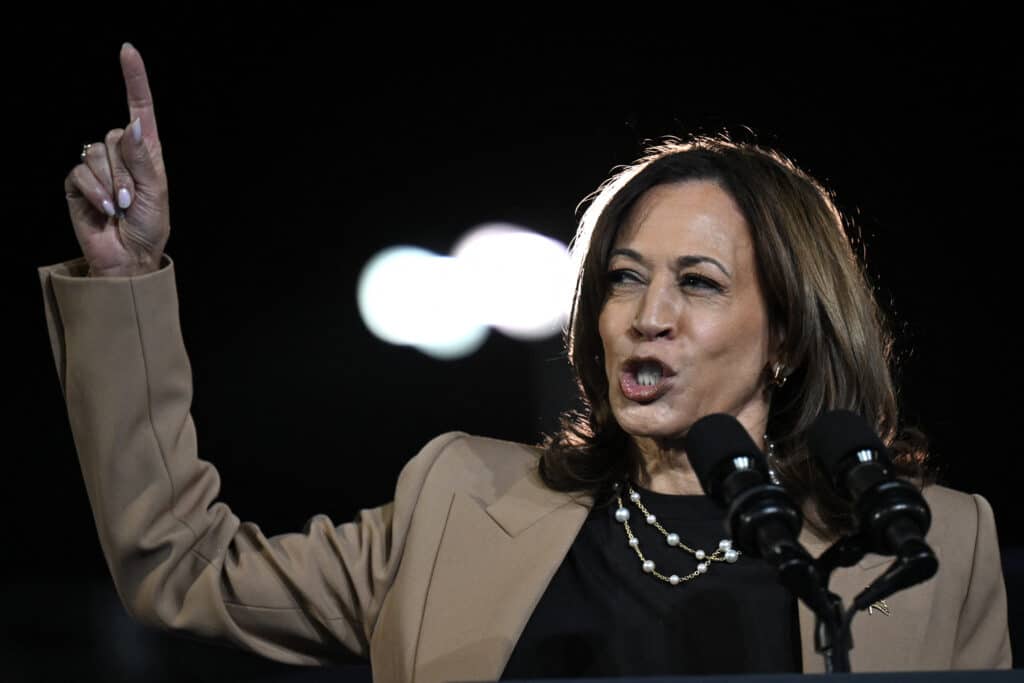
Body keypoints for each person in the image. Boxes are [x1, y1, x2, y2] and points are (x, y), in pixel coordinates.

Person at [40, 43, 1012, 682]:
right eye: (624, 279)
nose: (647, 315)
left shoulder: (932, 548)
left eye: (700, 283)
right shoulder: (456, 502)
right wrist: (121, 278)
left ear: (792, 331)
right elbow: (177, 563)